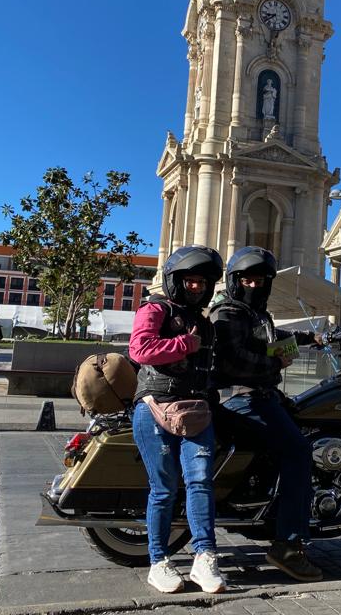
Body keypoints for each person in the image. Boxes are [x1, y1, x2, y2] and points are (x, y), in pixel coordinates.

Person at [209, 246, 323, 583]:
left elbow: (273, 340)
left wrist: (312, 338)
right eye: (248, 279)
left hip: (261, 396)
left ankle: (278, 513)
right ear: (235, 280)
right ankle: (287, 546)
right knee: (297, 451)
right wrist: (275, 363)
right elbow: (234, 360)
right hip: (242, 398)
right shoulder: (227, 313)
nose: (254, 285)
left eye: (260, 280)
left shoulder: (257, 314)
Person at [130, 245, 227, 595]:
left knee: (200, 481)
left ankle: (204, 557)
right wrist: (184, 344)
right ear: (176, 281)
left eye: (203, 282)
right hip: (155, 407)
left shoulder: (204, 320)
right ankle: (159, 561)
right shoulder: (155, 308)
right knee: (164, 488)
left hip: (196, 409)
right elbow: (140, 349)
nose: (197, 288)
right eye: (190, 281)